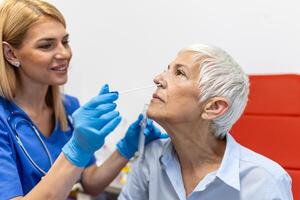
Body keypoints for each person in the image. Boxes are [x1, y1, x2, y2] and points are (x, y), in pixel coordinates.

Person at [0, 0, 167, 199]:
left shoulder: (68, 108)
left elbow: (90, 182)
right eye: (46, 45)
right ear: (11, 54)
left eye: (65, 42)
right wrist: (78, 147)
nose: (64, 53)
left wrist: (126, 148)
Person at [118, 44, 293, 200]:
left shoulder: (264, 181)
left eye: (180, 73)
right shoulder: (151, 157)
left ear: (214, 107)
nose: (157, 78)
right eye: (167, 69)